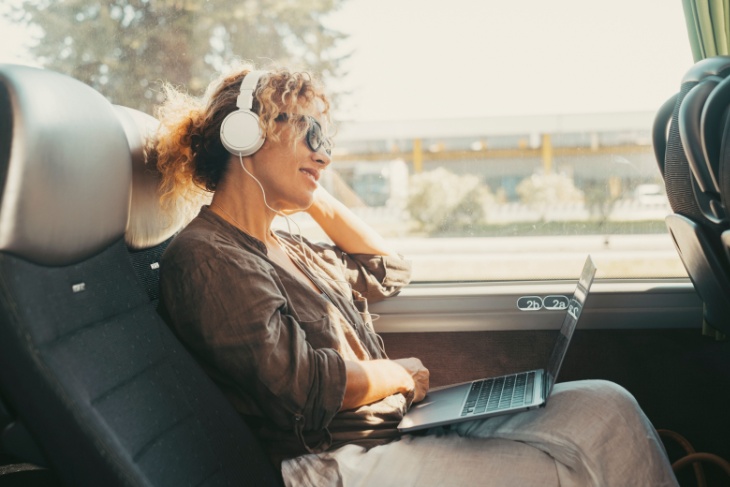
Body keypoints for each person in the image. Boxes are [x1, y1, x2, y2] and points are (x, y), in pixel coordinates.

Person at [155, 64, 678, 487]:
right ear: (247, 133)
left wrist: (309, 188)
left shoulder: (286, 244)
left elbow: (387, 270)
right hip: (331, 460)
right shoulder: (208, 257)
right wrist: (400, 373)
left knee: (607, 405)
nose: (325, 150)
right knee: (566, 474)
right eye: (308, 131)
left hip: (388, 428)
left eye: (325, 136)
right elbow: (303, 386)